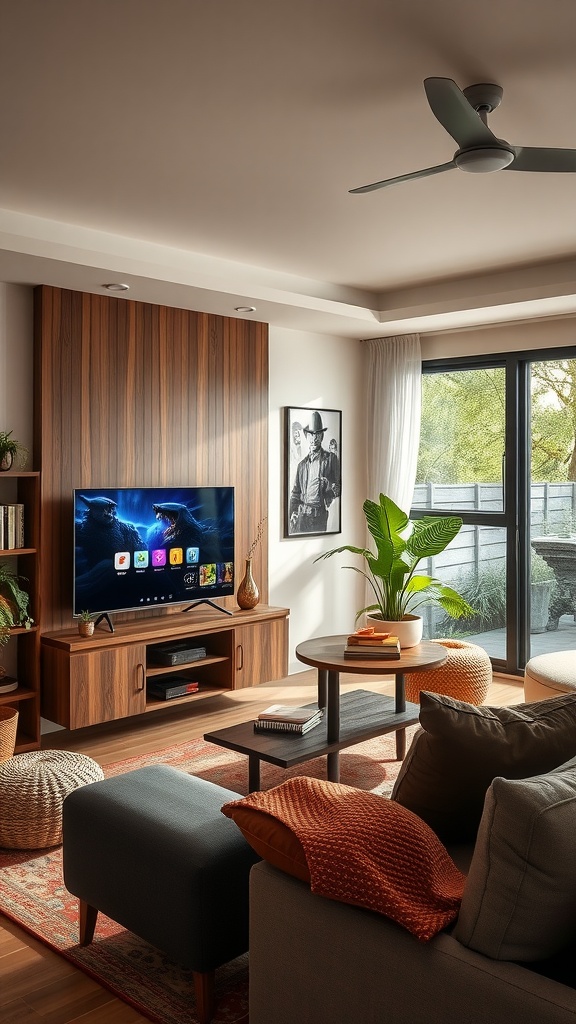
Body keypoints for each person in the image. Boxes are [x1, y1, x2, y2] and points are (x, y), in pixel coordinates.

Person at [289, 411, 340, 533]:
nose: (314, 438)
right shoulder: (301, 465)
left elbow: (339, 487)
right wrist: (292, 513)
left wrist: (329, 486)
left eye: (317, 434)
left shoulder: (331, 459)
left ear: (322, 436)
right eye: (311, 434)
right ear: (307, 436)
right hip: (302, 517)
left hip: (320, 516)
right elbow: (295, 493)